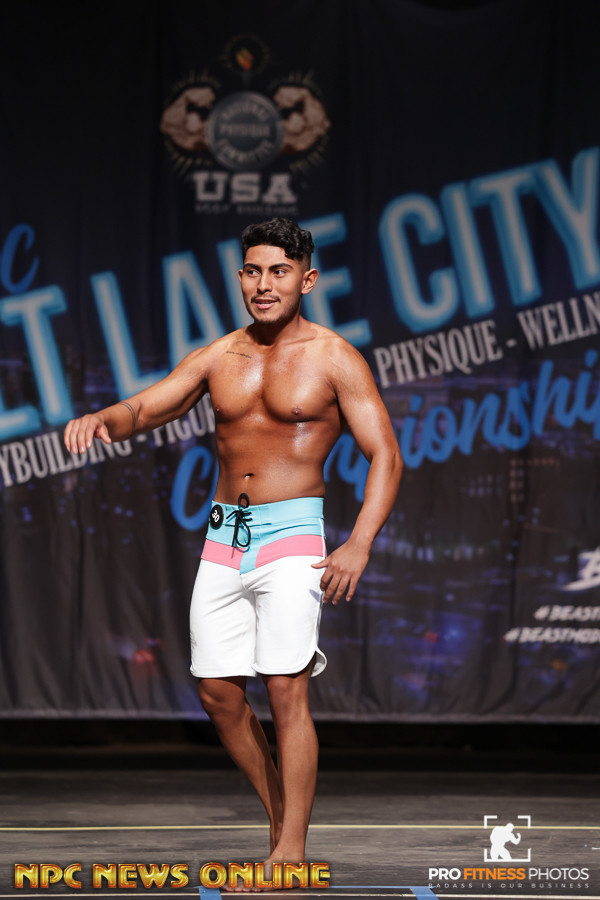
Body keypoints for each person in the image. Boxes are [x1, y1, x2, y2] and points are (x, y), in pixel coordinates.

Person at [64, 217, 402, 878]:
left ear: (307, 279)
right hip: (226, 536)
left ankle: (291, 852)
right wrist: (103, 418)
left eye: (279, 271)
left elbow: (385, 453)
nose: (263, 284)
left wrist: (359, 543)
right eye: (252, 271)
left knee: (285, 690)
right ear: (240, 277)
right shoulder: (220, 356)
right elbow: (151, 406)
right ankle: (280, 819)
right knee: (217, 694)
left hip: (294, 538)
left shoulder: (334, 357)